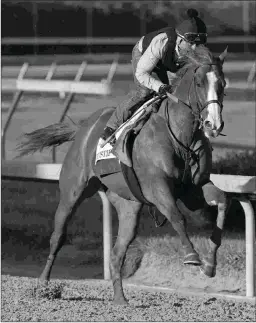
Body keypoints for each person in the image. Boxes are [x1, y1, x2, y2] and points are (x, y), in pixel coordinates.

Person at [100, 8, 208, 145]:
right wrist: (159, 86)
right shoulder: (161, 42)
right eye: (191, 43)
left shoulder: (197, 51)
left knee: (175, 95)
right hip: (144, 56)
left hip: (168, 63)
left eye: (198, 44)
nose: (194, 49)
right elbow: (141, 73)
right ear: (180, 40)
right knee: (145, 91)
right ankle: (111, 127)